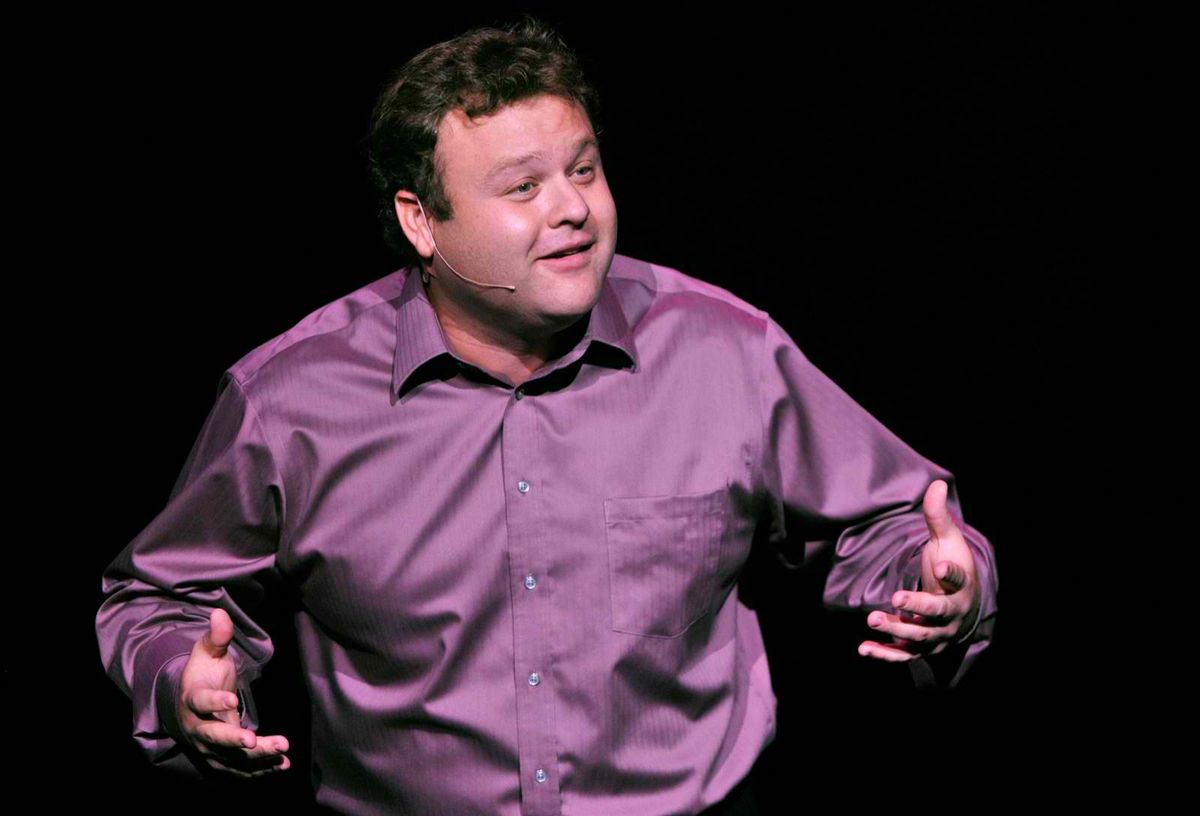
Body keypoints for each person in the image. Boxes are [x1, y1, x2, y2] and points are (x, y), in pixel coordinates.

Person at [96, 17, 998, 816]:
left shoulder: (724, 353)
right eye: (523, 187)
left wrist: (936, 580)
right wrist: (180, 677)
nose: (572, 209)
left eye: (584, 170)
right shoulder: (292, 399)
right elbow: (161, 594)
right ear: (422, 221)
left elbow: (899, 519)